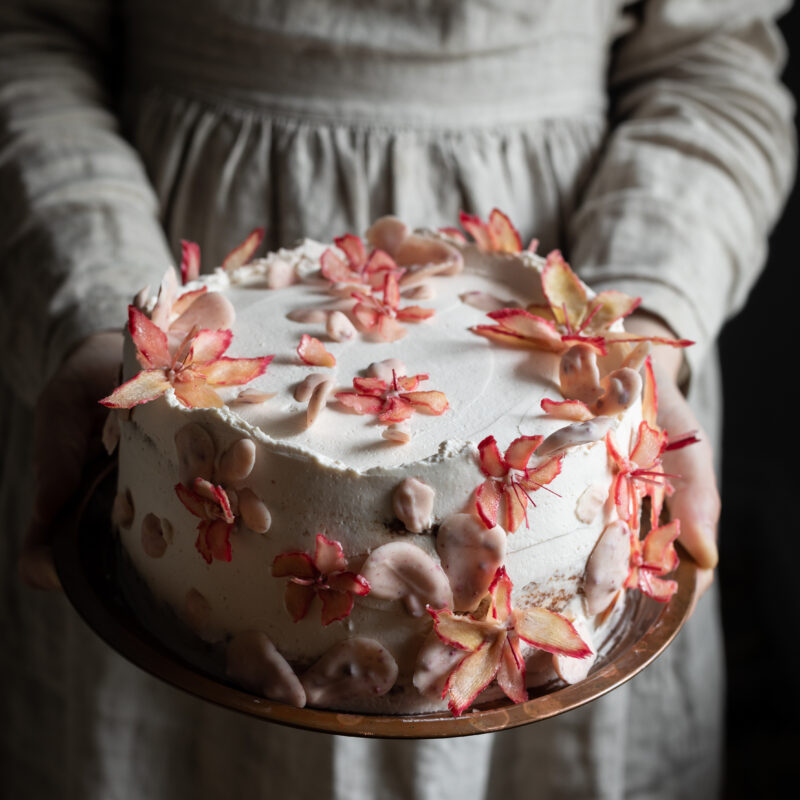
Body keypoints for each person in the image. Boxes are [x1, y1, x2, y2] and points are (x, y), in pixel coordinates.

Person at [0, 1, 794, 798]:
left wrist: (645, 316)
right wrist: (96, 308)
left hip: (566, 321)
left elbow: (711, 57)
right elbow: (28, 33)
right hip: (160, 290)